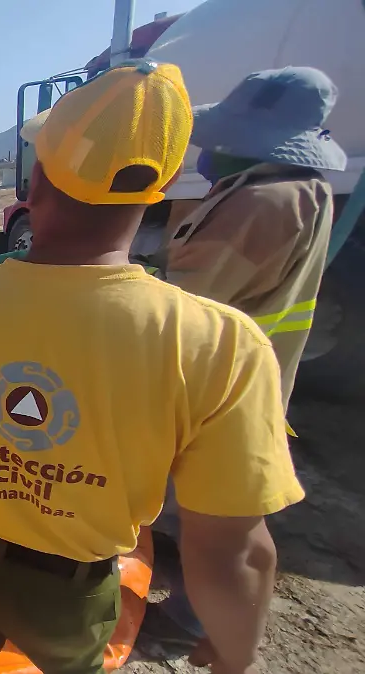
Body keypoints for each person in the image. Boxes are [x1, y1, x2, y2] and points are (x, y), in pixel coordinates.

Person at [0, 61, 303, 674]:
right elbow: (233, 550)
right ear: (167, 182)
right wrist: (236, 654)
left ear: (37, 182)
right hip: (69, 586)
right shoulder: (220, 344)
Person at [145, 66, 345, 647]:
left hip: (222, 385)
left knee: (221, 527)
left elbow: (189, 297)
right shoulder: (296, 191)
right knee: (222, 515)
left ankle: (195, 623)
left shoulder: (265, 201)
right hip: (245, 379)